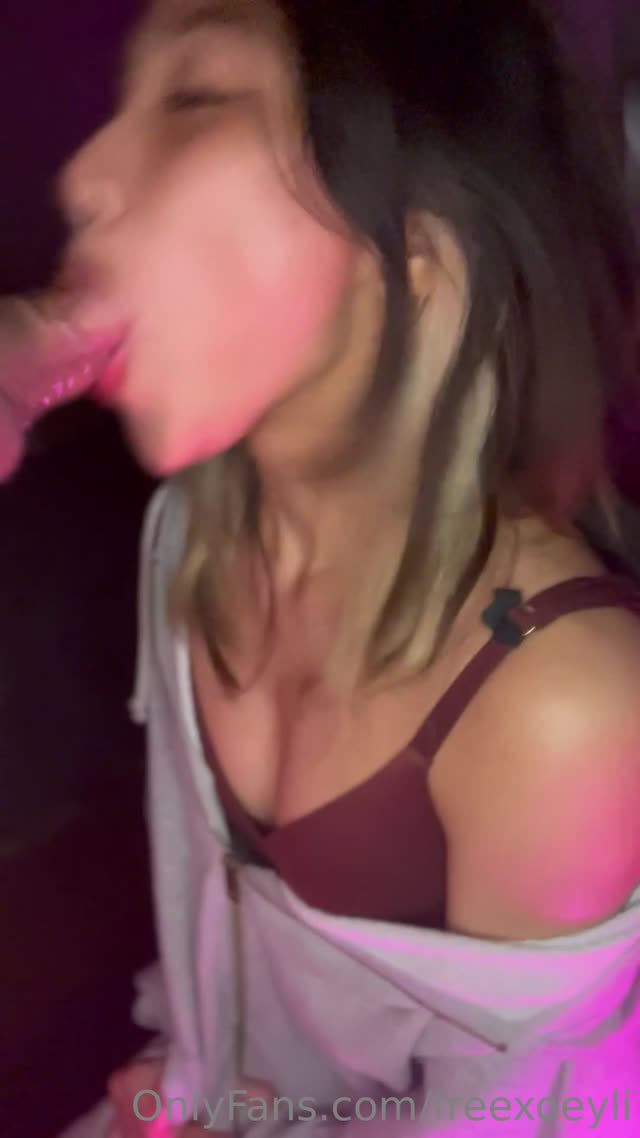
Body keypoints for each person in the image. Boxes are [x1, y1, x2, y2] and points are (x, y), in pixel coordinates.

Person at [3, 0, 638, 1134]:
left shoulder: (563, 707)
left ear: (415, 253)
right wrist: (193, 1088)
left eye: (196, 97)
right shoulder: (190, 538)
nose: (84, 175)